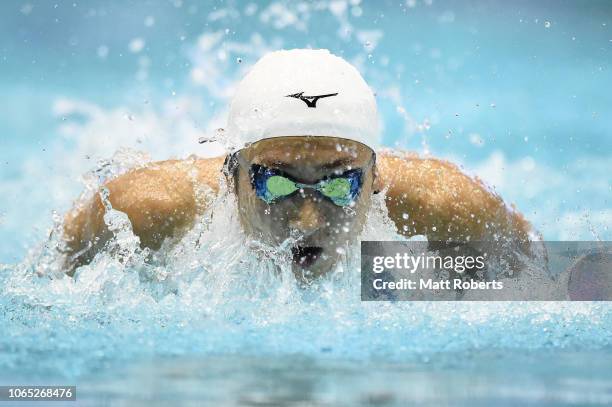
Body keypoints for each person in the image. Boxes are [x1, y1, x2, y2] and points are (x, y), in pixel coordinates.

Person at [61, 49, 533, 280]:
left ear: (376, 179)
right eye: (277, 184)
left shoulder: (449, 209)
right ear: (232, 178)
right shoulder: (142, 210)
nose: (308, 220)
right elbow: (45, 284)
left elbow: (552, 279)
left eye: (337, 185)